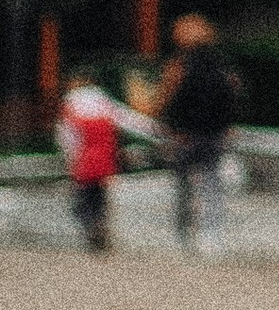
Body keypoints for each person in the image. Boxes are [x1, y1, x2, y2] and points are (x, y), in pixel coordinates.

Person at [146, 15, 243, 251]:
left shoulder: (178, 65)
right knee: (211, 184)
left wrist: (164, 122)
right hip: (214, 133)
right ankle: (212, 236)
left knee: (183, 185)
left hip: (185, 133)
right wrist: (229, 125)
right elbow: (235, 94)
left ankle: (183, 235)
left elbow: (166, 97)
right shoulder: (222, 64)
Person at [54, 69, 145, 252]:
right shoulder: (102, 100)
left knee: (83, 199)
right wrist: (158, 132)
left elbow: (66, 135)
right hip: (105, 157)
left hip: (84, 158)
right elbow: (128, 120)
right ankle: (100, 225)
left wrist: (70, 158)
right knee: (99, 195)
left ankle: (92, 227)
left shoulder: (70, 102)